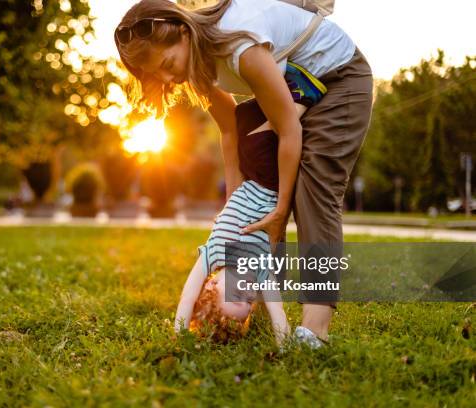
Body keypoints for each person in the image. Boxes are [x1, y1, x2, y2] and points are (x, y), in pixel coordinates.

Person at [115, 0, 374, 347]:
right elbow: (228, 131)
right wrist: (235, 205)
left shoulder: (239, 46)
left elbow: (289, 132)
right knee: (258, 187)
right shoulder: (198, 63)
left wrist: (281, 209)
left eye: (167, 64)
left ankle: (316, 330)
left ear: (182, 31)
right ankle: (265, 307)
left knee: (313, 190)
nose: (168, 78)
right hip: (300, 85)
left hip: (340, 77)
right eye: (156, 75)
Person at [174, 62, 327, 347]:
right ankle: (304, 96)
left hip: (250, 181)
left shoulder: (211, 256)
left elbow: (186, 295)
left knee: (241, 117)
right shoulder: (259, 270)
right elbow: (277, 310)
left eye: (235, 293)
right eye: (247, 299)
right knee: (261, 145)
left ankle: (279, 92)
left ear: (212, 285)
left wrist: (180, 333)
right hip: (271, 184)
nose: (246, 290)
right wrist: (284, 345)